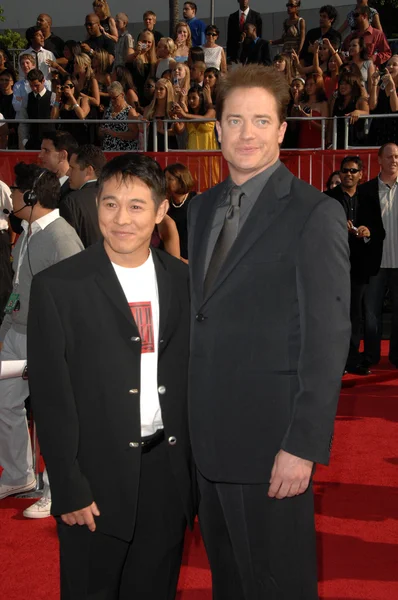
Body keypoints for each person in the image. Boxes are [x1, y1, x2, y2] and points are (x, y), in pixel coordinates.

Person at [187, 64, 350, 600]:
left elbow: (327, 340)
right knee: (229, 583)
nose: (247, 133)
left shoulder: (315, 214)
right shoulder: (201, 208)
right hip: (207, 443)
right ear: (218, 126)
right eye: (235, 120)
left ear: (282, 129)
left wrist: (302, 445)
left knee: (278, 586)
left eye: (261, 120)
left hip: (271, 445)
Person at [27, 153, 195, 598]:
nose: (122, 219)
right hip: (93, 477)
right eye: (110, 203)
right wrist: (67, 486)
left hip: (167, 475)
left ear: (161, 211)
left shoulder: (186, 282)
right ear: (95, 204)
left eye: (137, 206)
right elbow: (49, 397)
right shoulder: (59, 287)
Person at [0, 164, 83, 514]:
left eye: (18, 191)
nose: (13, 196)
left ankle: (56, 487)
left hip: (48, 340)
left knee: (54, 415)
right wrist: (5, 327)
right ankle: (20, 476)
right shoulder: (30, 232)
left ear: (32, 197)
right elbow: (20, 289)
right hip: (17, 335)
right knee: (5, 403)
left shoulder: (62, 238)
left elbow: (76, 299)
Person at [326, 156, 385, 375]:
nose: (348, 174)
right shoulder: (327, 199)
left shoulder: (369, 200)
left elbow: (381, 232)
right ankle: (334, 362)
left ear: (361, 174)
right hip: (332, 267)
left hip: (358, 267)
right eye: (344, 171)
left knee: (354, 316)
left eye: (352, 171)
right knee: (333, 315)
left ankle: (351, 361)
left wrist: (368, 233)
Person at [361, 143, 398, 368]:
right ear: (379, 160)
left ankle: (396, 356)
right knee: (371, 312)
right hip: (375, 262)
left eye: (397, 156)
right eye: (390, 156)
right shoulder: (366, 191)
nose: (394, 160)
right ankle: (371, 355)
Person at [60, 144, 105, 247]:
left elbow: (67, 247)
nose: (67, 173)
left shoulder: (72, 201)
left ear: (89, 170)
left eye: (72, 168)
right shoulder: (117, 196)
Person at [328, 71, 369, 148]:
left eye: (346, 84)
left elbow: (367, 113)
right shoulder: (336, 100)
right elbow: (331, 120)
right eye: (341, 84)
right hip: (338, 141)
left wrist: (358, 112)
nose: (342, 86)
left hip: (355, 141)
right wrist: (329, 140)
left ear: (354, 85)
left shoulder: (360, 100)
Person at [165, 163, 196, 261]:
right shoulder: (165, 202)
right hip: (171, 257)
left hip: (192, 258)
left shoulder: (197, 200)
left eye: (170, 179)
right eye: (164, 179)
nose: (166, 182)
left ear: (181, 180)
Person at [172, 84, 217, 150]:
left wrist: (184, 114)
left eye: (194, 98)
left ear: (201, 98)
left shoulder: (211, 111)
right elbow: (179, 130)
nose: (191, 101)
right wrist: (175, 120)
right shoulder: (188, 114)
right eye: (189, 98)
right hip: (192, 152)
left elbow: (204, 119)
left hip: (208, 151)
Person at [20, 69, 56, 150]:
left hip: (50, 142)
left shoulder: (53, 97)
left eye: (36, 85)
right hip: (32, 141)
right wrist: (24, 141)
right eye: (31, 85)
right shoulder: (26, 98)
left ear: (43, 81)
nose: (34, 88)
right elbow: (23, 121)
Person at [38, 131, 79, 202]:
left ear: (62, 155)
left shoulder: (75, 192)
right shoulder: (39, 183)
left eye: (46, 151)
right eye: (41, 150)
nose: (40, 155)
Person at [99, 81, 139, 151]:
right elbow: (102, 128)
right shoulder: (108, 110)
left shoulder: (130, 111)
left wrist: (115, 134)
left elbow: (134, 134)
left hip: (123, 151)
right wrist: (101, 131)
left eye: (114, 98)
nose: (112, 100)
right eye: (110, 98)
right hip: (108, 150)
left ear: (122, 95)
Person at [369, 55, 398, 147]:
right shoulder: (381, 85)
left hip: (395, 129)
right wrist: (374, 84)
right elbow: (372, 106)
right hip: (379, 128)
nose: (390, 67)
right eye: (388, 64)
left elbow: (395, 108)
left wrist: (392, 85)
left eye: (395, 65)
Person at [144, 78, 178, 151]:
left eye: (161, 89)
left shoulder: (174, 107)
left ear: (167, 90)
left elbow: (175, 132)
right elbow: (143, 128)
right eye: (156, 88)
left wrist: (161, 130)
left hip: (169, 146)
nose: (158, 91)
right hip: (152, 146)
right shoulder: (149, 108)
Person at [297, 73, 329, 148]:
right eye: (307, 85)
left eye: (311, 84)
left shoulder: (323, 104)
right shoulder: (301, 103)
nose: (308, 87)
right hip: (302, 140)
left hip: (317, 142)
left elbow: (325, 128)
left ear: (318, 85)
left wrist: (310, 120)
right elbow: (295, 125)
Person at [126, 31, 157, 106]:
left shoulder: (151, 56)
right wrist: (137, 53)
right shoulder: (132, 50)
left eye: (149, 42)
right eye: (144, 41)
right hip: (133, 89)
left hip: (146, 91)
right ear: (139, 41)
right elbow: (128, 59)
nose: (146, 44)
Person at [0, 180, 13, 321]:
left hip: (0, 238)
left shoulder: (1, 188)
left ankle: (5, 318)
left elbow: (13, 212)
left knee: (3, 280)